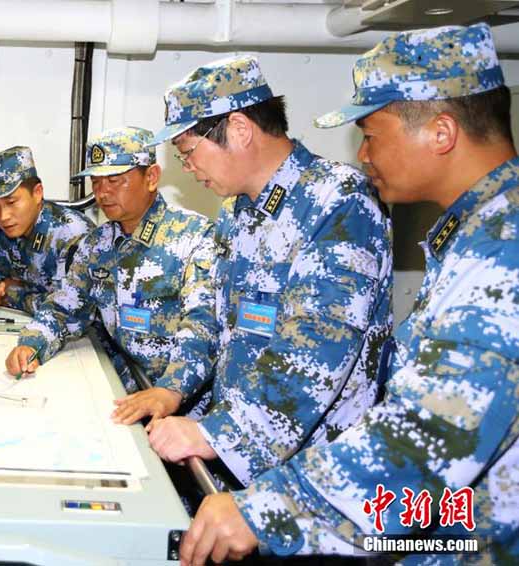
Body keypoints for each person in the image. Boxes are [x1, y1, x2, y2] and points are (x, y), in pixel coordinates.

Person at [179, 23, 519, 565]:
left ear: (441, 132)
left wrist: (269, 508)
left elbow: (435, 431)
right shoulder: (476, 234)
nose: (363, 154)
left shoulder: (504, 246)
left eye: (372, 132)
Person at [123, 55, 393, 491]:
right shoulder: (237, 212)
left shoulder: (337, 202)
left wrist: (217, 435)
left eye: (189, 153)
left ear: (240, 129)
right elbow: (211, 316)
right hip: (246, 464)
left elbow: (315, 352)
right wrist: (174, 387)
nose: (188, 169)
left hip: (317, 478)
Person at [5, 127, 217, 399]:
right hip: (125, 387)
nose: (102, 193)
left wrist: (170, 391)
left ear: (151, 177)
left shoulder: (194, 237)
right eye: (96, 182)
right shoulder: (98, 245)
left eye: (114, 180)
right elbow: (65, 307)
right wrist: (32, 343)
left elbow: (203, 326)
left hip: (185, 403)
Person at [0, 146, 93, 314]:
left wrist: (11, 293)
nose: (3, 216)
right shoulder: (6, 235)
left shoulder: (71, 234)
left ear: (37, 193)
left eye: (11, 202)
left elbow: (70, 310)